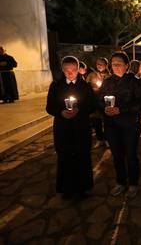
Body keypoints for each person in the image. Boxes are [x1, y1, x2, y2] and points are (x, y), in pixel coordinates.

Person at [46, 56, 95, 199]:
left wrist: (79, 110)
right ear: (62, 70)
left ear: (78, 69)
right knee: (65, 157)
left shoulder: (85, 86)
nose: (70, 73)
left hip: (81, 127)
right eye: (67, 70)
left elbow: (92, 105)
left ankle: (83, 187)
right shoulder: (56, 85)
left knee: (82, 156)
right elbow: (49, 107)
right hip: (63, 127)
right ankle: (66, 188)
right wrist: (61, 112)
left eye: (73, 70)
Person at [99, 51, 141, 199]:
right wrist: (104, 108)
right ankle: (120, 181)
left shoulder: (134, 81)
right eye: (113, 64)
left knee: (130, 155)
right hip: (111, 125)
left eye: (119, 64)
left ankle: (133, 183)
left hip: (129, 125)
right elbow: (99, 99)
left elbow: (139, 103)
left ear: (127, 66)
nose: (115, 67)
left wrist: (121, 109)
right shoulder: (107, 81)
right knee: (117, 155)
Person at [86, 57, 111, 148]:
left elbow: (112, 88)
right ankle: (100, 139)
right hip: (95, 102)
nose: (99, 66)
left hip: (106, 102)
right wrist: (93, 89)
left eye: (101, 64)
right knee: (96, 122)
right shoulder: (91, 75)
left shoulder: (110, 76)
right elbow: (86, 87)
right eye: (98, 64)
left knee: (107, 122)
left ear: (106, 65)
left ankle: (107, 139)